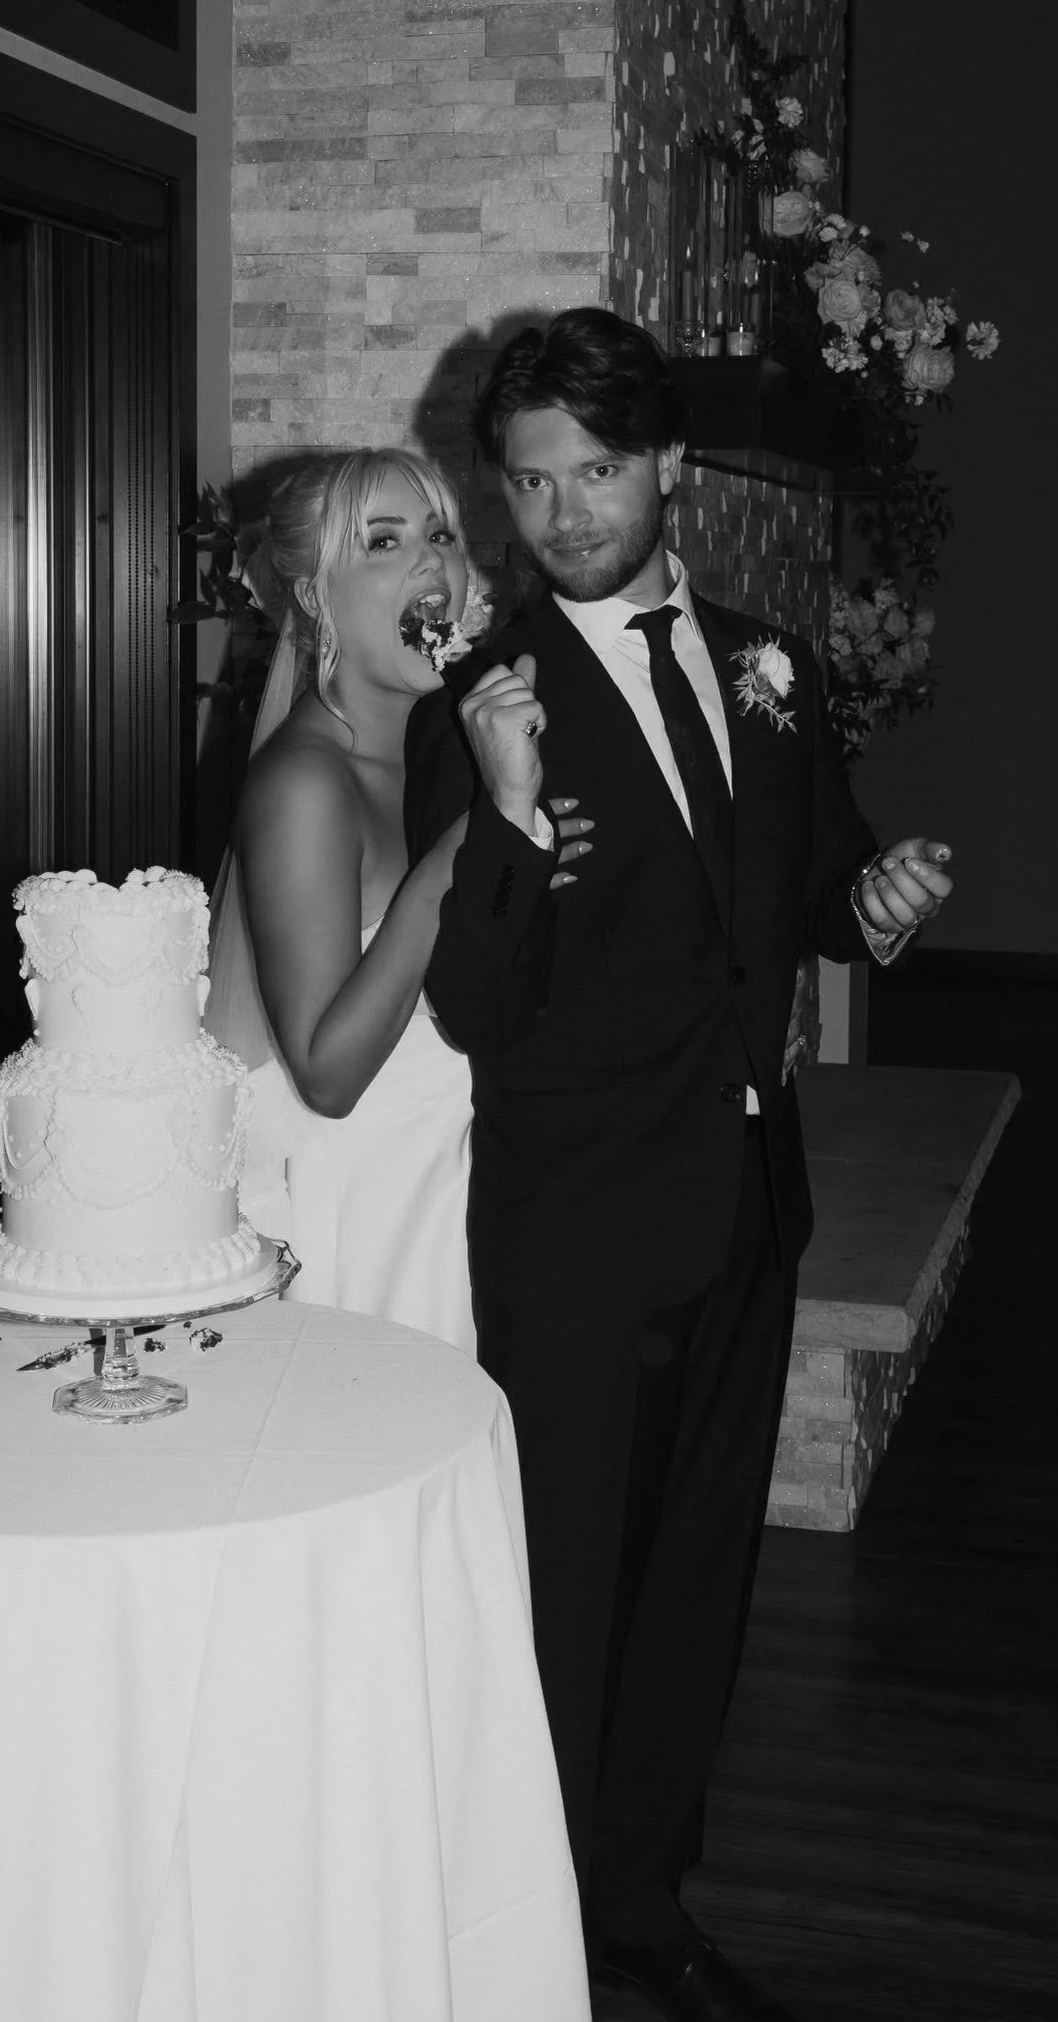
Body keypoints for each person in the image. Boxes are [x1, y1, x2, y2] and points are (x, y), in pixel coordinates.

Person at [403, 309, 954, 2021]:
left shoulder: (769, 665)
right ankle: (526, 1946)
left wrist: (874, 908)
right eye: (531, 479)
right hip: (577, 1227)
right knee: (567, 1595)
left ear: (666, 470)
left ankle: (639, 1907)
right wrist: (499, 812)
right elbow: (477, 1003)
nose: (564, 513)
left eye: (596, 471)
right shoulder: (483, 701)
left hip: (743, 1203)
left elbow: (798, 897)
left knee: (698, 1584)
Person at [205, 446, 591, 1352]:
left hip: (448, 1189)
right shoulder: (304, 781)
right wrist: (472, 843)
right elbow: (327, 1075)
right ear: (312, 597)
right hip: (351, 1224)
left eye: (441, 535)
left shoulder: (436, 753)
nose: (430, 562)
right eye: (383, 541)